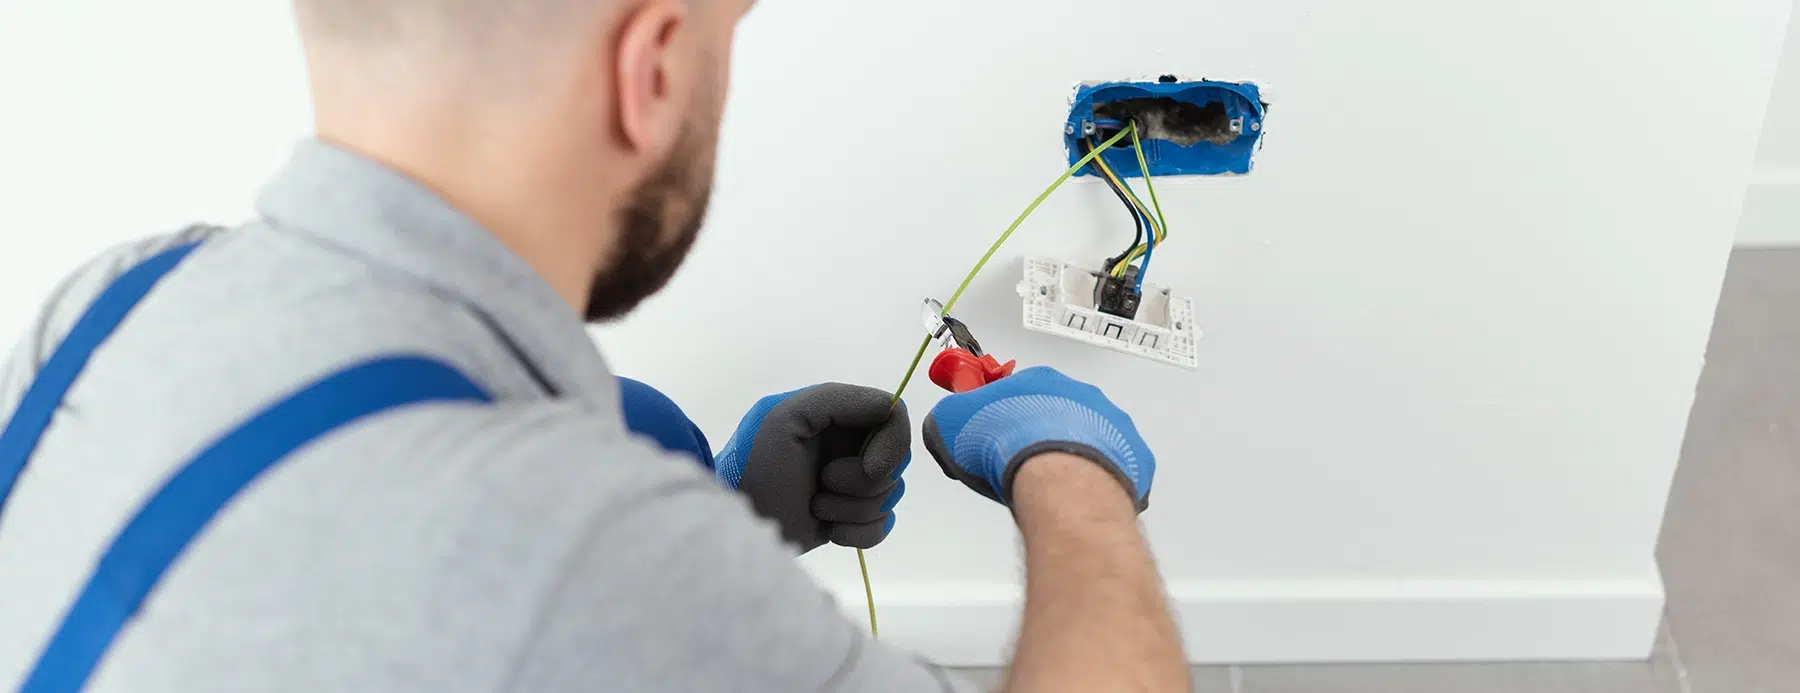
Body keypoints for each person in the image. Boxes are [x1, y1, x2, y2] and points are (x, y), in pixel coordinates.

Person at [0, 0, 1187, 691]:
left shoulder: (109, 302)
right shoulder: (573, 546)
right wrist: (1068, 469)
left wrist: (714, 511)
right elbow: (534, 575)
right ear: (651, 69)